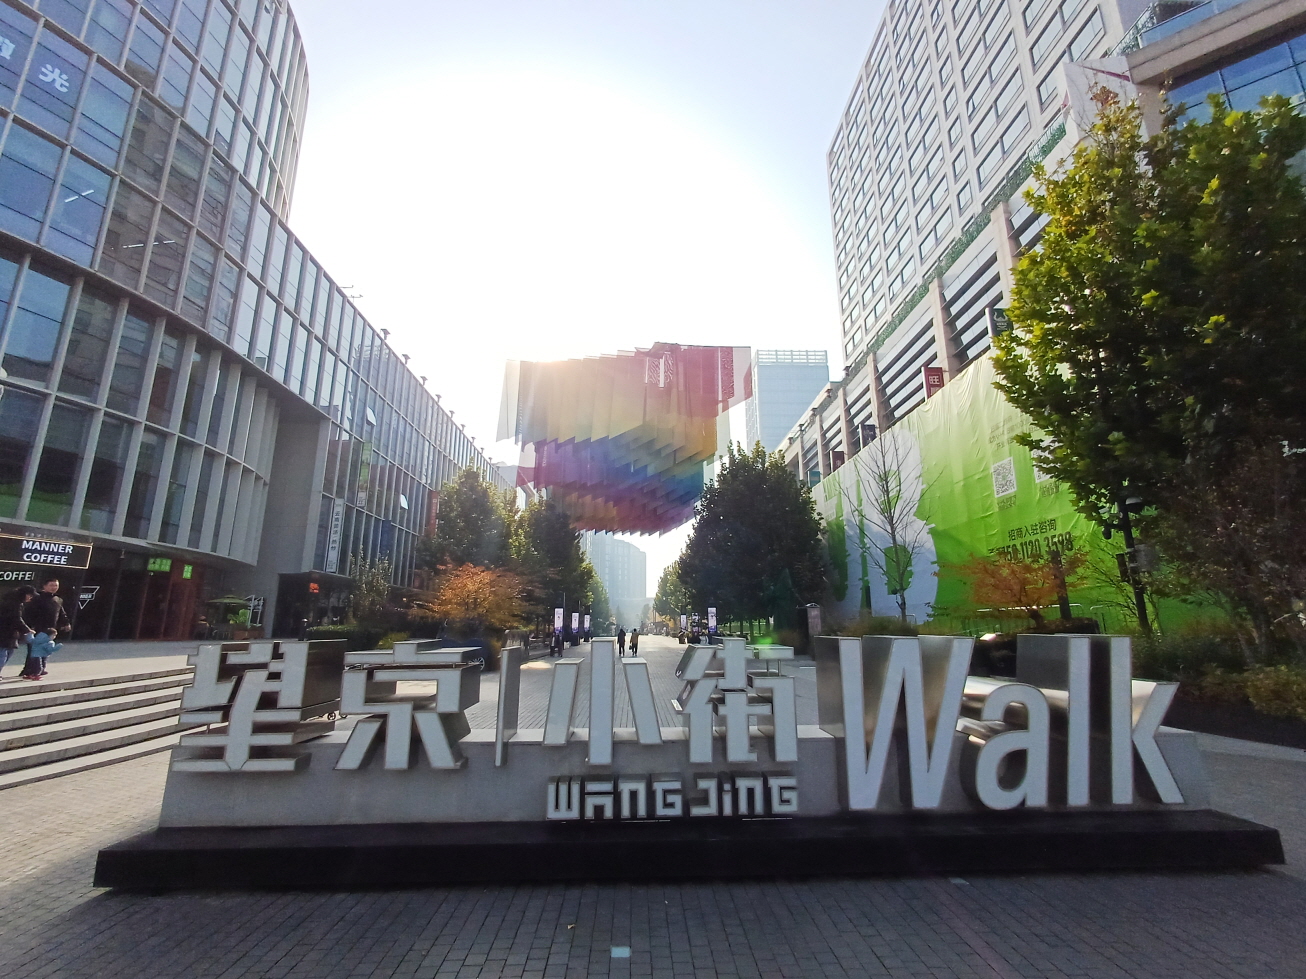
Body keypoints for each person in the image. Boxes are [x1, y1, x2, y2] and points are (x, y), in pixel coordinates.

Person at [19, 577, 70, 680]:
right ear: (44, 586)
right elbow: (28, 613)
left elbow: (61, 613)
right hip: (37, 629)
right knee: (35, 651)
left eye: (56, 585)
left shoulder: (57, 599)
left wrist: (66, 623)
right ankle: (29, 671)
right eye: (51, 585)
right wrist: (29, 628)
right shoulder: (37, 598)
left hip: (50, 630)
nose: (54, 587)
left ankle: (40, 669)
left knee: (45, 650)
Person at [0, 585, 36, 676]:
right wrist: (27, 630)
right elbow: (16, 618)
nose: (30, 598)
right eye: (30, 595)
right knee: (3, 653)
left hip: (8, 631)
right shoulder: (15, 603)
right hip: (6, 631)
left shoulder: (10, 599)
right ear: (25, 594)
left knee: (8, 651)